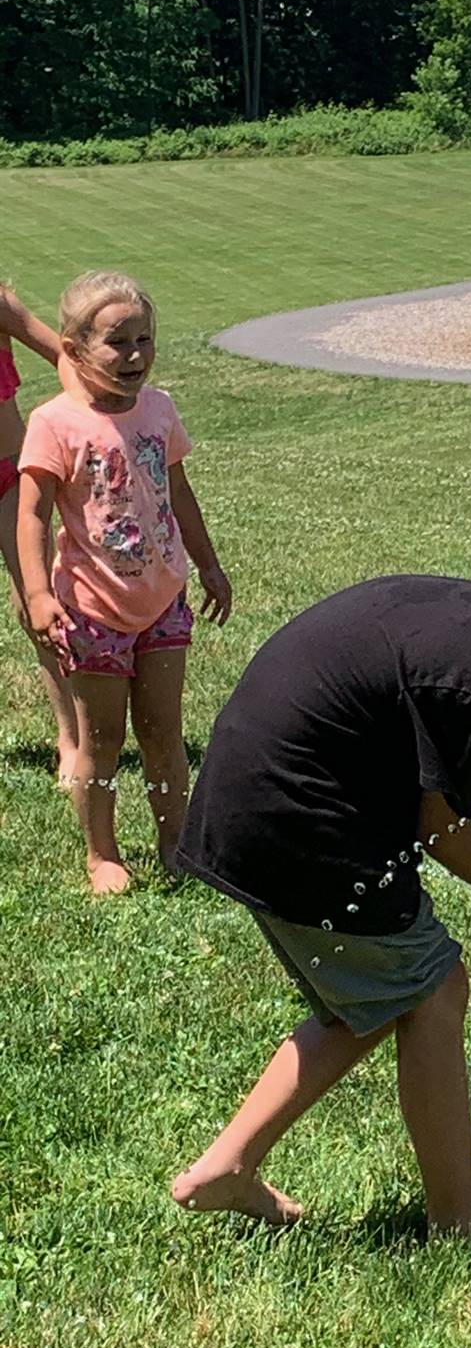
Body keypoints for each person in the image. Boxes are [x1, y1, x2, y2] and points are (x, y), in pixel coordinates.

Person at [170, 484, 471, 1240]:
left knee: (382, 992)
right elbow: (441, 832)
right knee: (433, 989)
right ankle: (459, 1217)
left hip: (249, 806)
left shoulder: (456, 612)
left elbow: (425, 805)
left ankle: (230, 1166)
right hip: (297, 823)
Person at [17, 272, 231, 895]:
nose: (135, 354)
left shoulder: (159, 409)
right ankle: (101, 854)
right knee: (102, 740)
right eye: (118, 342)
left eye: (145, 339)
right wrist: (37, 593)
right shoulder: (54, 422)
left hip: (162, 600)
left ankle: (175, 839)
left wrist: (209, 563)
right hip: (91, 612)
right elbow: (31, 513)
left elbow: (180, 493)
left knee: (164, 733)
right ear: (75, 346)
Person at [0, 280, 78, 777]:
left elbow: (63, 354)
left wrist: (86, 418)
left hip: (9, 475)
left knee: (38, 602)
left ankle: (71, 737)